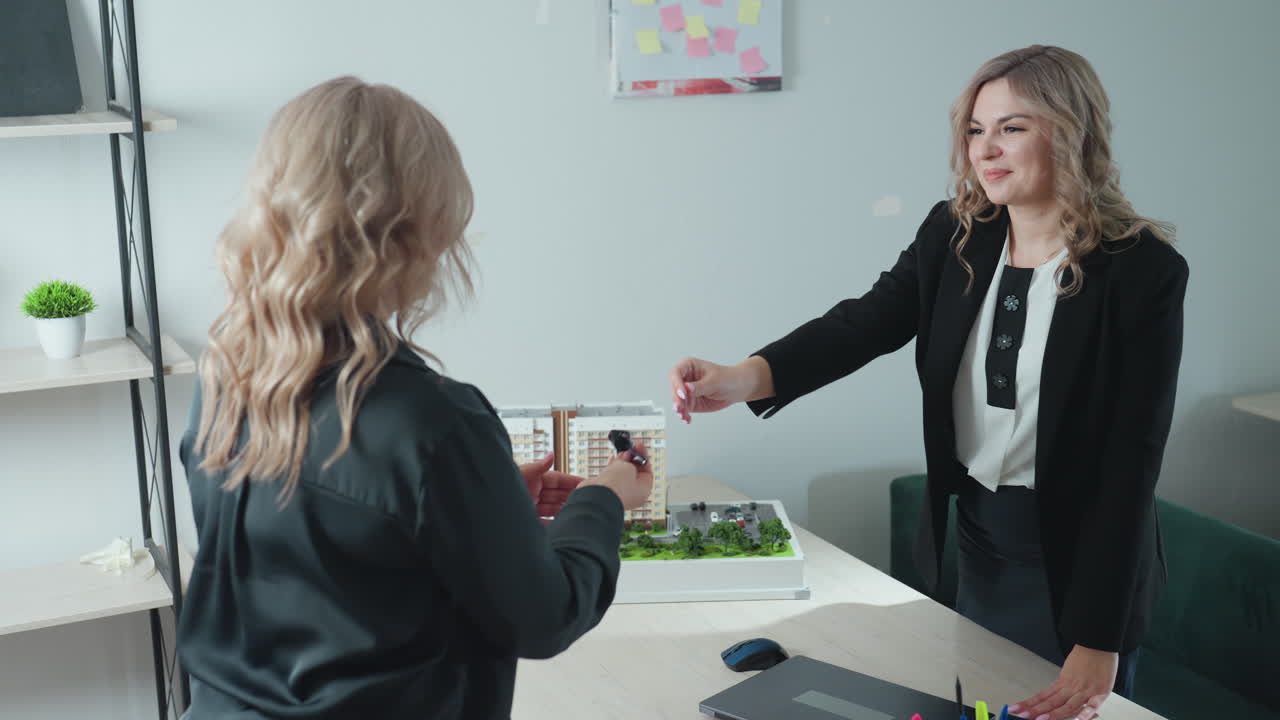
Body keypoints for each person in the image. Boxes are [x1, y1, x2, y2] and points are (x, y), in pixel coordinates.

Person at [669, 46, 1187, 720]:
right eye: (976, 130)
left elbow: (1131, 463)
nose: (986, 149)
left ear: (1070, 129)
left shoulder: (1142, 272)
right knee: (984, 703)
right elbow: (865, 322)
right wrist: (740, 379)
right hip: (979, 538)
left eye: (1011, 128)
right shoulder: (956, 236)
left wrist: (1099, 636)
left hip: (1083, 563)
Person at [176, 76, 653, 720]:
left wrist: (479, 505)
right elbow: (545, 618)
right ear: (415, 232)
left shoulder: (226, 379)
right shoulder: (433, 424)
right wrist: (603, 501)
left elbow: (314, 560)